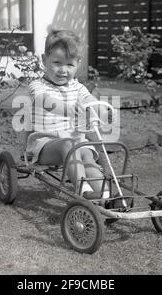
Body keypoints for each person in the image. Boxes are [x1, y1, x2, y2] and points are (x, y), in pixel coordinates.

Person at [26, 29, 110, 198]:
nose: (63, 70)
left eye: (69, 65)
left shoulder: (77, 87)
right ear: (44, 60)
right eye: (57, 63)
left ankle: (105, 195)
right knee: (68, 145)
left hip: (76, 142)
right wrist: (69, 110)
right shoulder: (37, 85)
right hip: (45, 145)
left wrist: (102, 110)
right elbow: (44, 101)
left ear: (78, 63)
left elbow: (89, 99)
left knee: (87, 154)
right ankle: (83, 191)